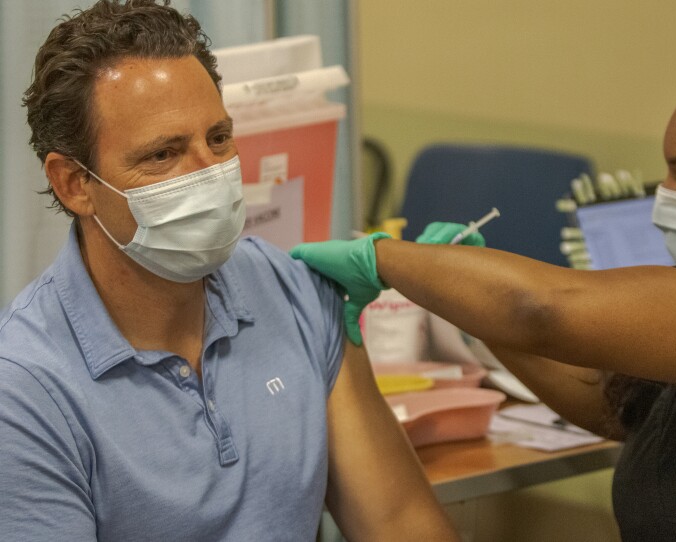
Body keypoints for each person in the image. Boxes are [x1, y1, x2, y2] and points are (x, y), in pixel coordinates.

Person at [292, 42, 676, 540]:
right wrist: (475, 312)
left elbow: (543, 307)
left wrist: (382, 255)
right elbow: (619, 405)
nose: (665, 199)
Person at [0, 1, 459, 540]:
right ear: (74, 184)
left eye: (218, 139)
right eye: (163, 154)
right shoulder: (25, 391)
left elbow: (401, 523)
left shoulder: (295, 293)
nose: (210, 175)